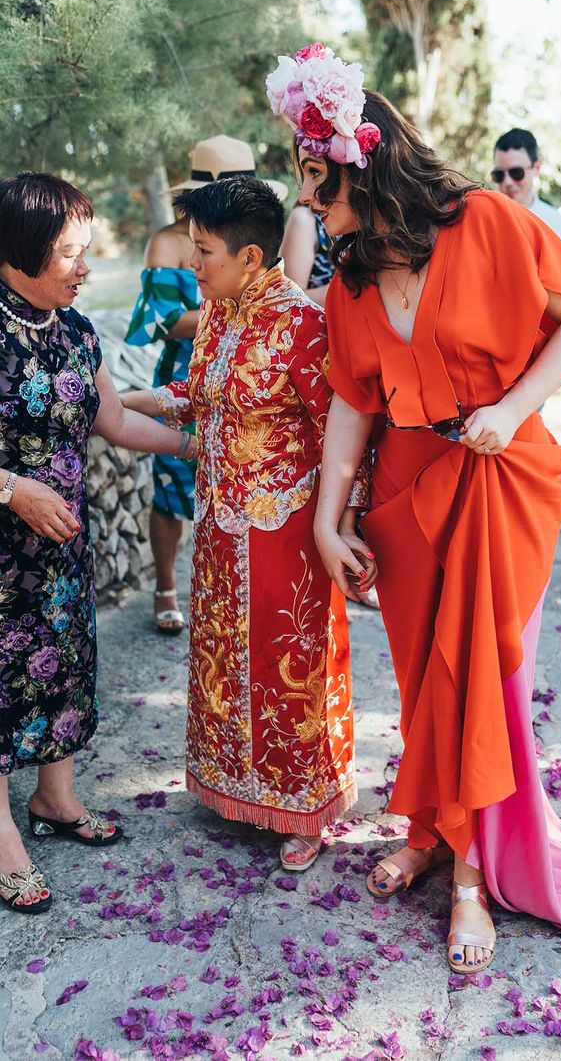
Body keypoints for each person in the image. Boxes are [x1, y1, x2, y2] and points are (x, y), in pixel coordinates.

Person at [267, 43, 561, 970]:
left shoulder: (485, 222)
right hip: (403, 497)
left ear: (365, 158)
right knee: (425, 680)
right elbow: (354, 400)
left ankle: (472, 879)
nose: (308, 200)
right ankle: (432, 832)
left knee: (482, 677)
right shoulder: (349, 275)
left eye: (317, 178)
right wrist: (325, 516)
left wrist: (512, 408)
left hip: (502, 480)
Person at [121, 177, 369, 872]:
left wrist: (345, 523)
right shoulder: (221, 312)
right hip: (222, 525)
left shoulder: (302, 326)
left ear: (252, 256)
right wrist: (119, 401)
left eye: (205, 252)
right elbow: (194, 394)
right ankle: (235, 785)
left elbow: (343, 432)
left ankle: (304, 806)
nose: (193, 264)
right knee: (224, 658)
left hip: (288, 531)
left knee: (291, 664)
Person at [0, 173, 197, 914]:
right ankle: (3, 841)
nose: (84, 267)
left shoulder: (78, 331)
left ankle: (56, 798)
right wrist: (13, 487)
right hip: (2, 551)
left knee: (60, 670)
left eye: (86, 251)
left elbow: (114, 421)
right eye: (68, 254)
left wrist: (195, 445)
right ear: (19, 251)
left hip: (58, 552)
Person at [126, 136, 287, 634]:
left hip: (242, 381)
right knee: (171, 489)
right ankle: (166, 587)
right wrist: (237, 313)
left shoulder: (252, 254)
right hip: (185, 374)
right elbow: (161, 321)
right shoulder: (169, 245)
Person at [280, 204, 381, 612]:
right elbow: (292, 294)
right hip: (323, 344)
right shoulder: (306, 220)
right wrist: (363, 285)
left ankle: (353, 552)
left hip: (360, 338)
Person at [492, 128, 561, 255]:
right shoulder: (482, 222)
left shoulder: (560, 227)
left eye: (516, 173)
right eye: (499, 174)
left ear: (536, 168)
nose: (507, 182)